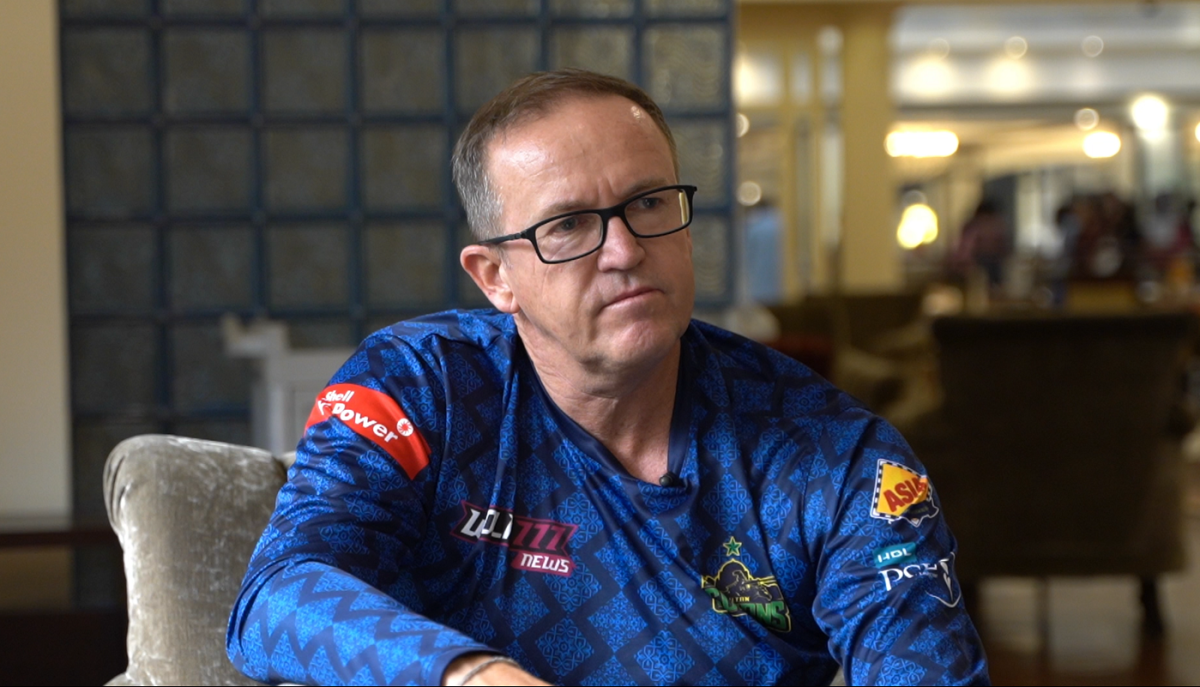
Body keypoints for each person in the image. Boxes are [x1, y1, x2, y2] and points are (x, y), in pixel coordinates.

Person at [226, 69, 990, 686]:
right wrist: (471, 675)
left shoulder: (839, 457)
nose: (624, 250)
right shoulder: (420, 387)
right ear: (496, 276)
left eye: (649, 203)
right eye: (568, 225)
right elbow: (276, 596)